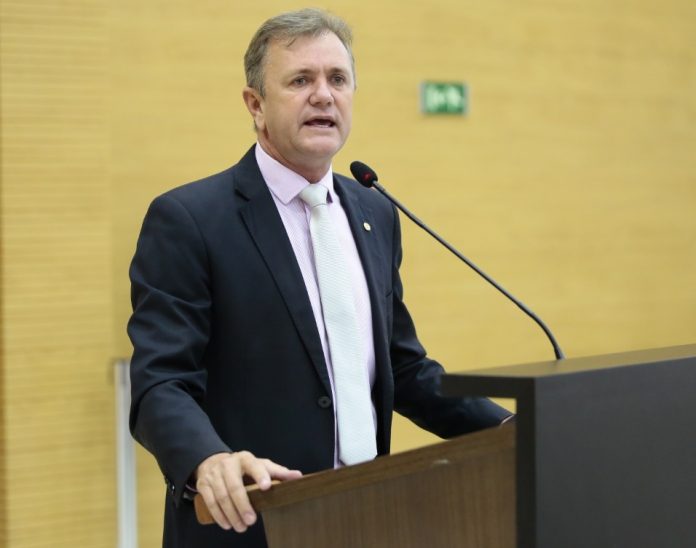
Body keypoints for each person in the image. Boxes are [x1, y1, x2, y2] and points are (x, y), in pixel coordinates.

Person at [128, 8, 512, 548]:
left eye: (337, 79)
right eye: (300, 80)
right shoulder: (191, 220)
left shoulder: (374, 211)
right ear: (255, 104)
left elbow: (402, 368)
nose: (324, 96)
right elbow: (160, 381)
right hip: (252, 522)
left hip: (365, 514)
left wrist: (507, 432)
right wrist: (207, 459)